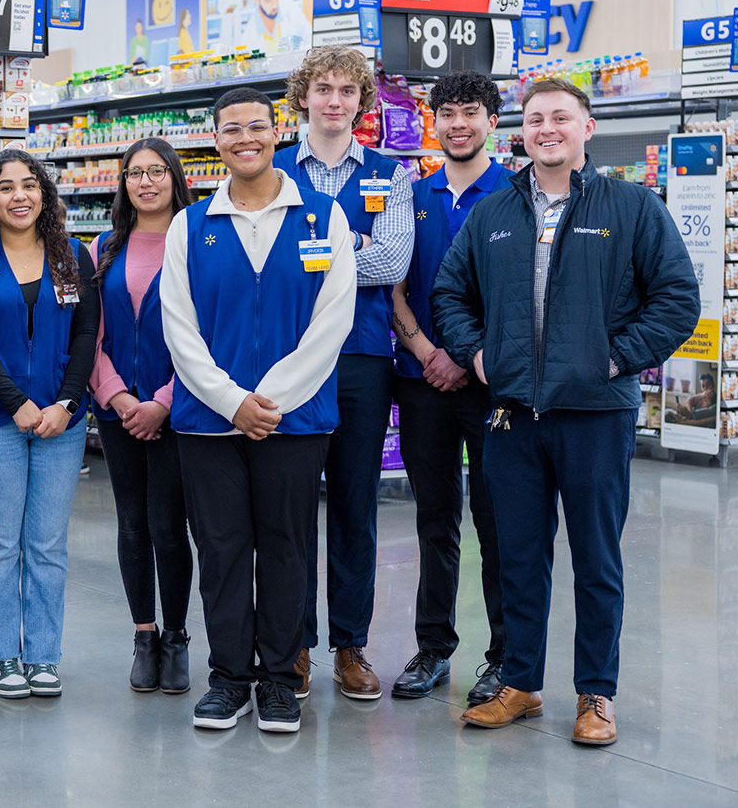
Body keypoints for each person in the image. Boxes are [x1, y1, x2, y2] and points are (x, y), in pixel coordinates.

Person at [434, 77, 699, 746]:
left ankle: (596, 695)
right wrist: (476, 354)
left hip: (595, 415)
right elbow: (449, 294)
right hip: (513, 416)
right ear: (519, 133)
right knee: (520, 555)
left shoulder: (634, 207)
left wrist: (613, 360)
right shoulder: (493, 213)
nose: (546, 128)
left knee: (596, 559)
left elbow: (676, 298)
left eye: (560, 116)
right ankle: (521, 683)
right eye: (535, 119)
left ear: (587, 127)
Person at [163, 87, 357, 733]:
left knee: (285, 548)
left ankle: (279, 678)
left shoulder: (323, 218)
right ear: (215, 140)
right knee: (220, 551)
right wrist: (231, 402)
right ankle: (228, 678)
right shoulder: (190, 226)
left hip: (294, 422)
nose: (244, 138)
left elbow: (333, 322)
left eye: (256, 126)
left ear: (277, 131)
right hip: (207, 423)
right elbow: (179, 329)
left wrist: (266, 401)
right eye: (230, 130)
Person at [273, 45, 413, 701]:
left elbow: (393, 262)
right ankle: (294, 644)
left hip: (360, 359)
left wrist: (320, 248)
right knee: (291, 510)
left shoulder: (392, 174)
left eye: (347, 91)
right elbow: (260, 264)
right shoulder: (269, 169)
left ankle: (350, 646)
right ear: (303, 96)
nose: (334, 101)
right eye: (323, 88)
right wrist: (353, 241)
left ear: (363, 102)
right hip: (287, 359)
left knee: (357, 508)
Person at [386, 71, 512, 705]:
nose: (458, 123)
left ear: (492, 120)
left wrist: (466, 358)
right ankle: (434, 646)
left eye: (470, 112)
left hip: (491, 386)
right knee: (435, 519)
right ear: (433, 122)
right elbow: (393, 283)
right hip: (419, 377)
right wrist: (427, 351)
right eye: (447, 113)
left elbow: (520, 295)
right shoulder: (412, 193)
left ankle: (504, 657)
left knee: (497, 520)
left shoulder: (513, 194)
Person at [0, 150, 98, 699]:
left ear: (45, 194)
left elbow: (86, 334)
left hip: (62, 422)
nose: (20, 196)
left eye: (30, 185)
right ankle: (0, 654)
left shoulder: (72, 257)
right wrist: (16, 401)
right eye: (6, 187)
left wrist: (67, 401)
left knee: (46, 543)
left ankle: (42, 654)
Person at [89, 139, 194, 695]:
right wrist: (118, 397)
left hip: (178, 409)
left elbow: (210, 338)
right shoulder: (103, 246)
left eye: (157, 172)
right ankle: (144, 635)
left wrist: (163, 401)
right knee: (131, 523)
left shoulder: (200, 240)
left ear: (176, 179)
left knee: (167, 525)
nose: (146, 182)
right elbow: (92, 336)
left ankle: (176, 637)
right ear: (123, 183)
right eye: (135, 173)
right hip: (119, 411)